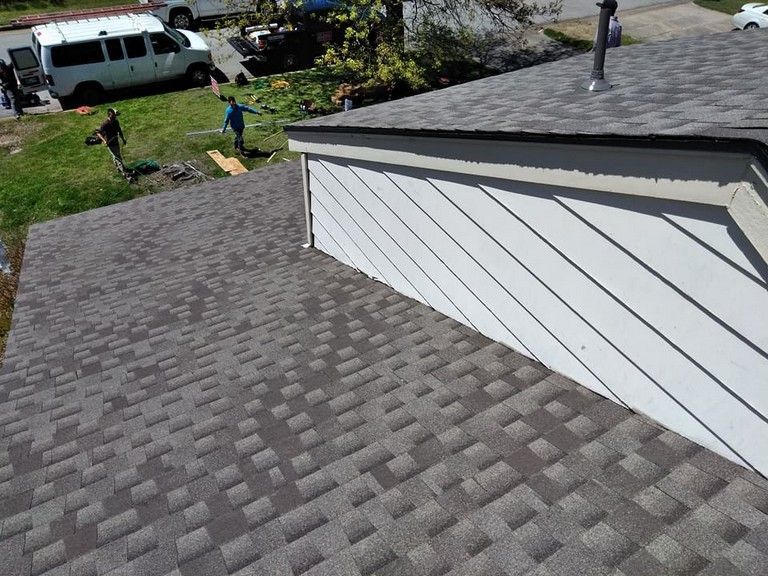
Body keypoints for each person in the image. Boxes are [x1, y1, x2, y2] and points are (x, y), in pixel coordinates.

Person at [96, 108, 133, 182]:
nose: (115, 117)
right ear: (109, 115)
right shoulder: (105, 124)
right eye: (113, 115)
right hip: (109, 143)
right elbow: (98, 133)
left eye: (115, 115)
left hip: (116, 141)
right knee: (118, 158)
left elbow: (119, 131)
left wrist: (123, 139)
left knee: (116, 156)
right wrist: (104, 141)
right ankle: (125, 174)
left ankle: (118, 169)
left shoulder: (116, 122)